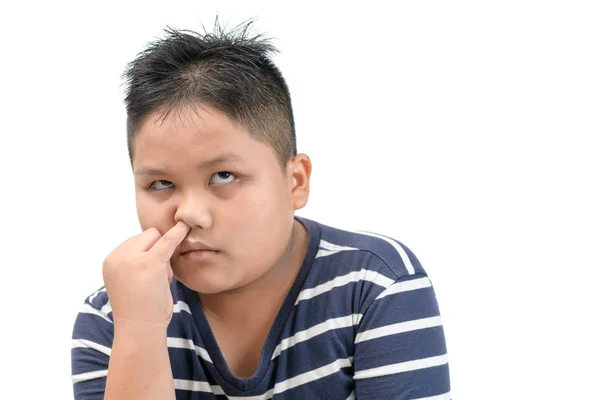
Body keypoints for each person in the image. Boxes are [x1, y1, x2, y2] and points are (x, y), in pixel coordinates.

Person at [71, 20, 451, 400]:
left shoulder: (374, 284)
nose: (189, 213)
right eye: (161, 184)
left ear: (295, 182)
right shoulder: (112, 317)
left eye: (223, 176)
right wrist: (139, 330)